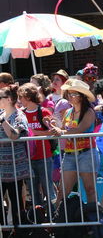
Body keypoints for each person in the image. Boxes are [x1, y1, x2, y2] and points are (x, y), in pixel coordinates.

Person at [50, 79, 100, 206]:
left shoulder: (89, 112)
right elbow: (64, 130)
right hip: (70, 154)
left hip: (87, 154)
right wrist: (54, 126)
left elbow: (79, 130)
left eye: (74, 94)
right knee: (62, 191)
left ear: (82, 96)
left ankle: (92, 219)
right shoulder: (68, 112)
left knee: (90, 190)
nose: (70, 97)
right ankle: (59, 219)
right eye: (69, 94)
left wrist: (60, 131)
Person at [17, 83, 56, 210]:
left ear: (27, 97)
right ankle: (39, 220)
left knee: (48, 188)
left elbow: (52, 131)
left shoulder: (43, 111)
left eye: (21, 97)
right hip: (27, 158)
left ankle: (54, 216)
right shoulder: (20, 114)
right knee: (33, 192)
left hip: (44, 156)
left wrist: (31, 132)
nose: (19, 100)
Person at [0, 85, 30, 232]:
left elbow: (14, 135)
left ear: (9, 99)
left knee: (16, 202)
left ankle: (19, 232)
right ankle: (4, 230)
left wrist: (2, 121)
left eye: (0, 97)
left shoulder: (19, 116)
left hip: (15, 168)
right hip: (0, 168)